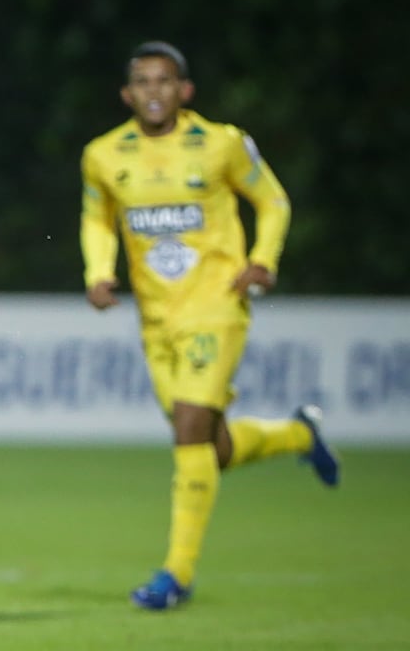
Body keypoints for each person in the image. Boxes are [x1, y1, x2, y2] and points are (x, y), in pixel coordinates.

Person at [79, 41, 341, 610]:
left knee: (189, 430)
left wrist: (263, 260)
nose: (154, 91)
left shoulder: (221, 143)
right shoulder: (103, 154)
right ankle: (299, 434)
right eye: (143, 82)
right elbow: (97, 218)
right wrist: (99, 272)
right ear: (127, 95)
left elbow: (272, 201)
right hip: (156, 317)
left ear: (184, 90)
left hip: (216, 306)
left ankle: (176, 574)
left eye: (164, 81)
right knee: (209, 447)